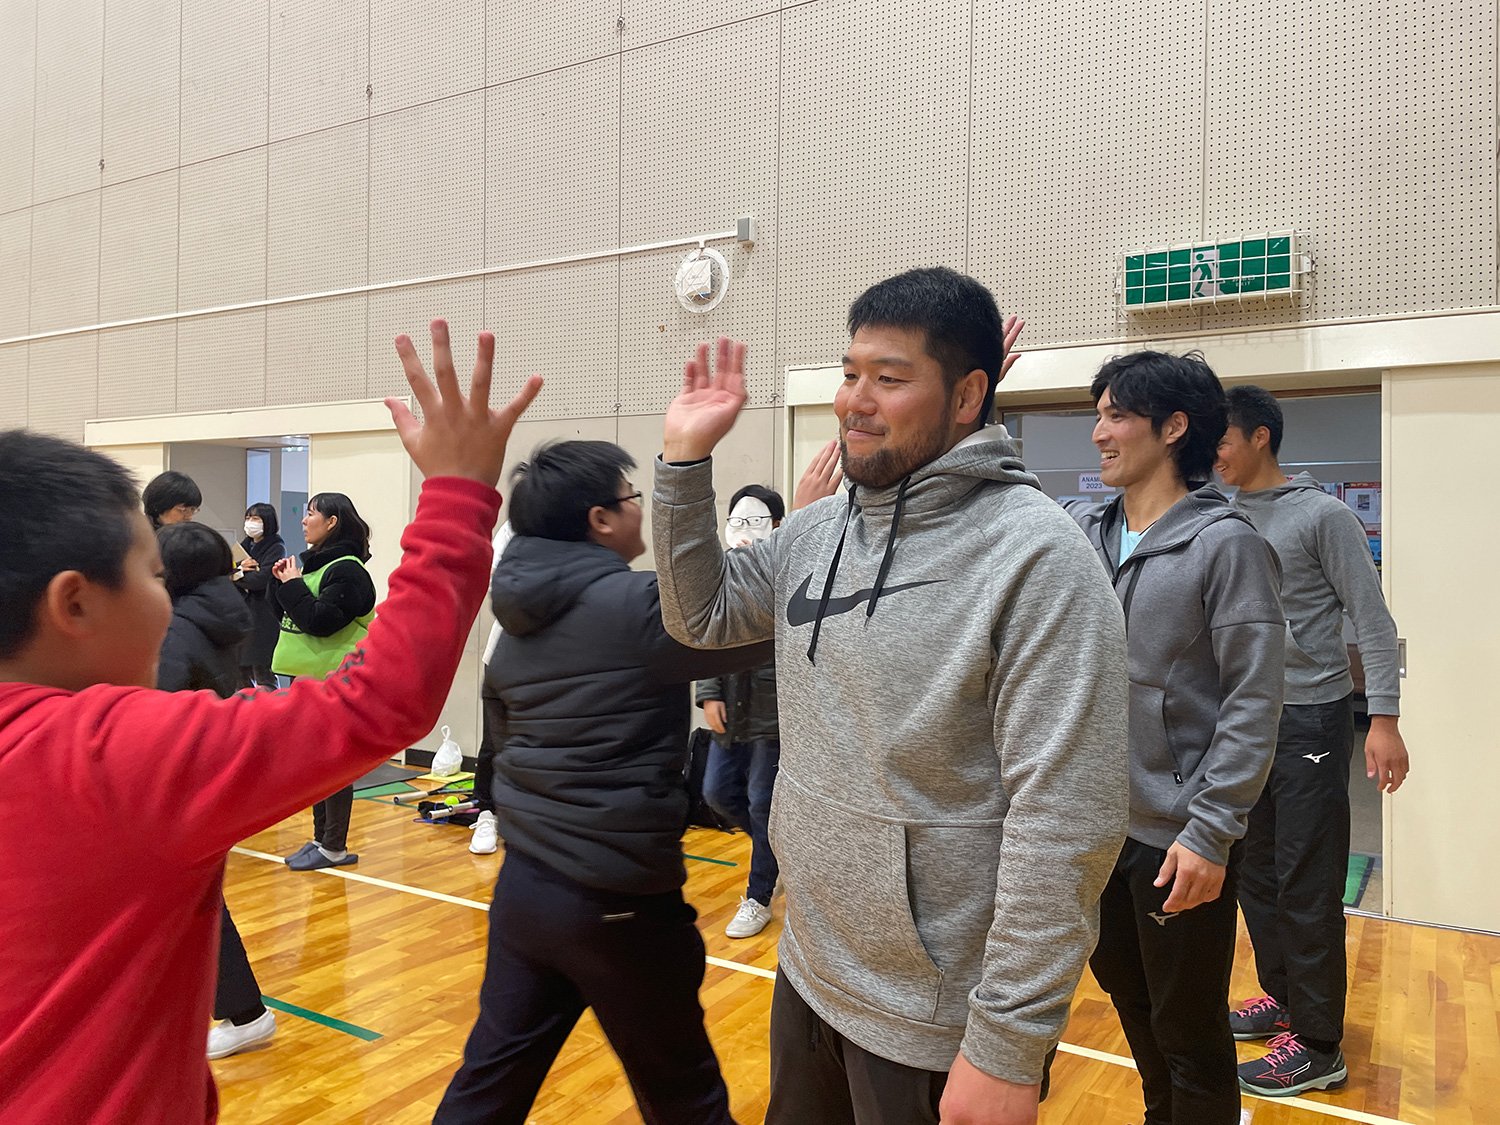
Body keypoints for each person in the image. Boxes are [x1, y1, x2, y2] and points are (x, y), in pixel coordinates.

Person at [0, 319, 542, 1124]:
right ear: (74, 603)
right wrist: (458, 492)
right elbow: (381, 698)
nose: (169, 597)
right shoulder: (115, 756)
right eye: (153, 572)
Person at [651, 266, 1130, 1125]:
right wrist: (684, 463)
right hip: (810, 965)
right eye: (849, 373)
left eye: (890, 377)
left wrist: (1008, 1041)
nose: (855, 401)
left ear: (968, 395)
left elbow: (1068, 817)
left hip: (937, 1016)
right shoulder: (817, 531)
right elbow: (702, 614)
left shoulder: (1038, 558)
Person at [433, 440, 772, 1125]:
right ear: (600, 519)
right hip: (617, 901)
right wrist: (800, 535)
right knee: (688, 1100)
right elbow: (761, 626)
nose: (639, 510)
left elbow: (498, 745)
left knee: (488, 1086)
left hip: (526, 890)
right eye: (632, 498)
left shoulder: (512, 621)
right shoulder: (638, 606)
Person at [1064, 351, 1284, 1125]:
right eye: (1098, 415)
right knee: (1134, 1007)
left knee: (1190, 1034)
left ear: (1173, 427)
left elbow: (1254, 701)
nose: (1099, 432)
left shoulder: (1227, 545)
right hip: (1096, 828)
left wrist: (1211, 832)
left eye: (1117, 415)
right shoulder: (1083, 531)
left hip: (1178, 839)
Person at [1216, 384, 1410, 1097]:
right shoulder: (1221, 515)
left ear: (1260, 437)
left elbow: (1373, 621)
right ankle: (1286, 1000)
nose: (1213, 454)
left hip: (1311, 721)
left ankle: (1320, 1045)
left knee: (1307, 880)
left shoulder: (1323, 516)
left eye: (1222, 440)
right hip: (1244, 722)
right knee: (1255, 874)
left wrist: (1383, 718)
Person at [155, 521, 278, 1060]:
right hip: (204, 779)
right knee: (191, 899)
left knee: (191, 899)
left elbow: (156, 710)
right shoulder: (217, 611)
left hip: (180, 784)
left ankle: (246, 1012)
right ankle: (238, 1009)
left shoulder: (178, 627)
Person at [694, 484, 786, 938]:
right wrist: (709, 691)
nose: (746, 529)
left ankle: (758, 895)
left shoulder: (788, 567)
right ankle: (780, 857)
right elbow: (708, 633)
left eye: (757, 519)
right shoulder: (723, 571)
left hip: (773, 711)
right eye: (738, 519)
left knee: (762, 801)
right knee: (716, 793)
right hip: (730, 706)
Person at [271, 492, 378, 870]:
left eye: (312, 513)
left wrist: (292, 585)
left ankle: (334, 846)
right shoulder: (317, 567)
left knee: (334, 763)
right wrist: (280, 581)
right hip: (306, 680)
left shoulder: (348, 571)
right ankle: (320, 838)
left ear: (332, 522)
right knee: (315, 763)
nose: (304, 520)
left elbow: (319, 621)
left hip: (334, 681)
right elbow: (290, 614)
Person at [468, 519, 514, 856]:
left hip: (561, 657)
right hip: (506, 652)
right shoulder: (517, 527)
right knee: (494, 744)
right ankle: (487, 812)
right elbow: (495, 581)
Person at [233, 502, 287, 689]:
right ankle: (244, 703)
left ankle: (268, 703)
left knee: (263, 671)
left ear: (267, 522)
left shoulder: (276, 547)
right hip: (241, 615)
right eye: (248, 518)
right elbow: (225, 571)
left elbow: (260, 580)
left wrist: (237, 575)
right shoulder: (244, 546)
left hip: (263, 615)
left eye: (255, 518)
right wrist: (239, 571)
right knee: (239, 672)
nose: (250, 522)